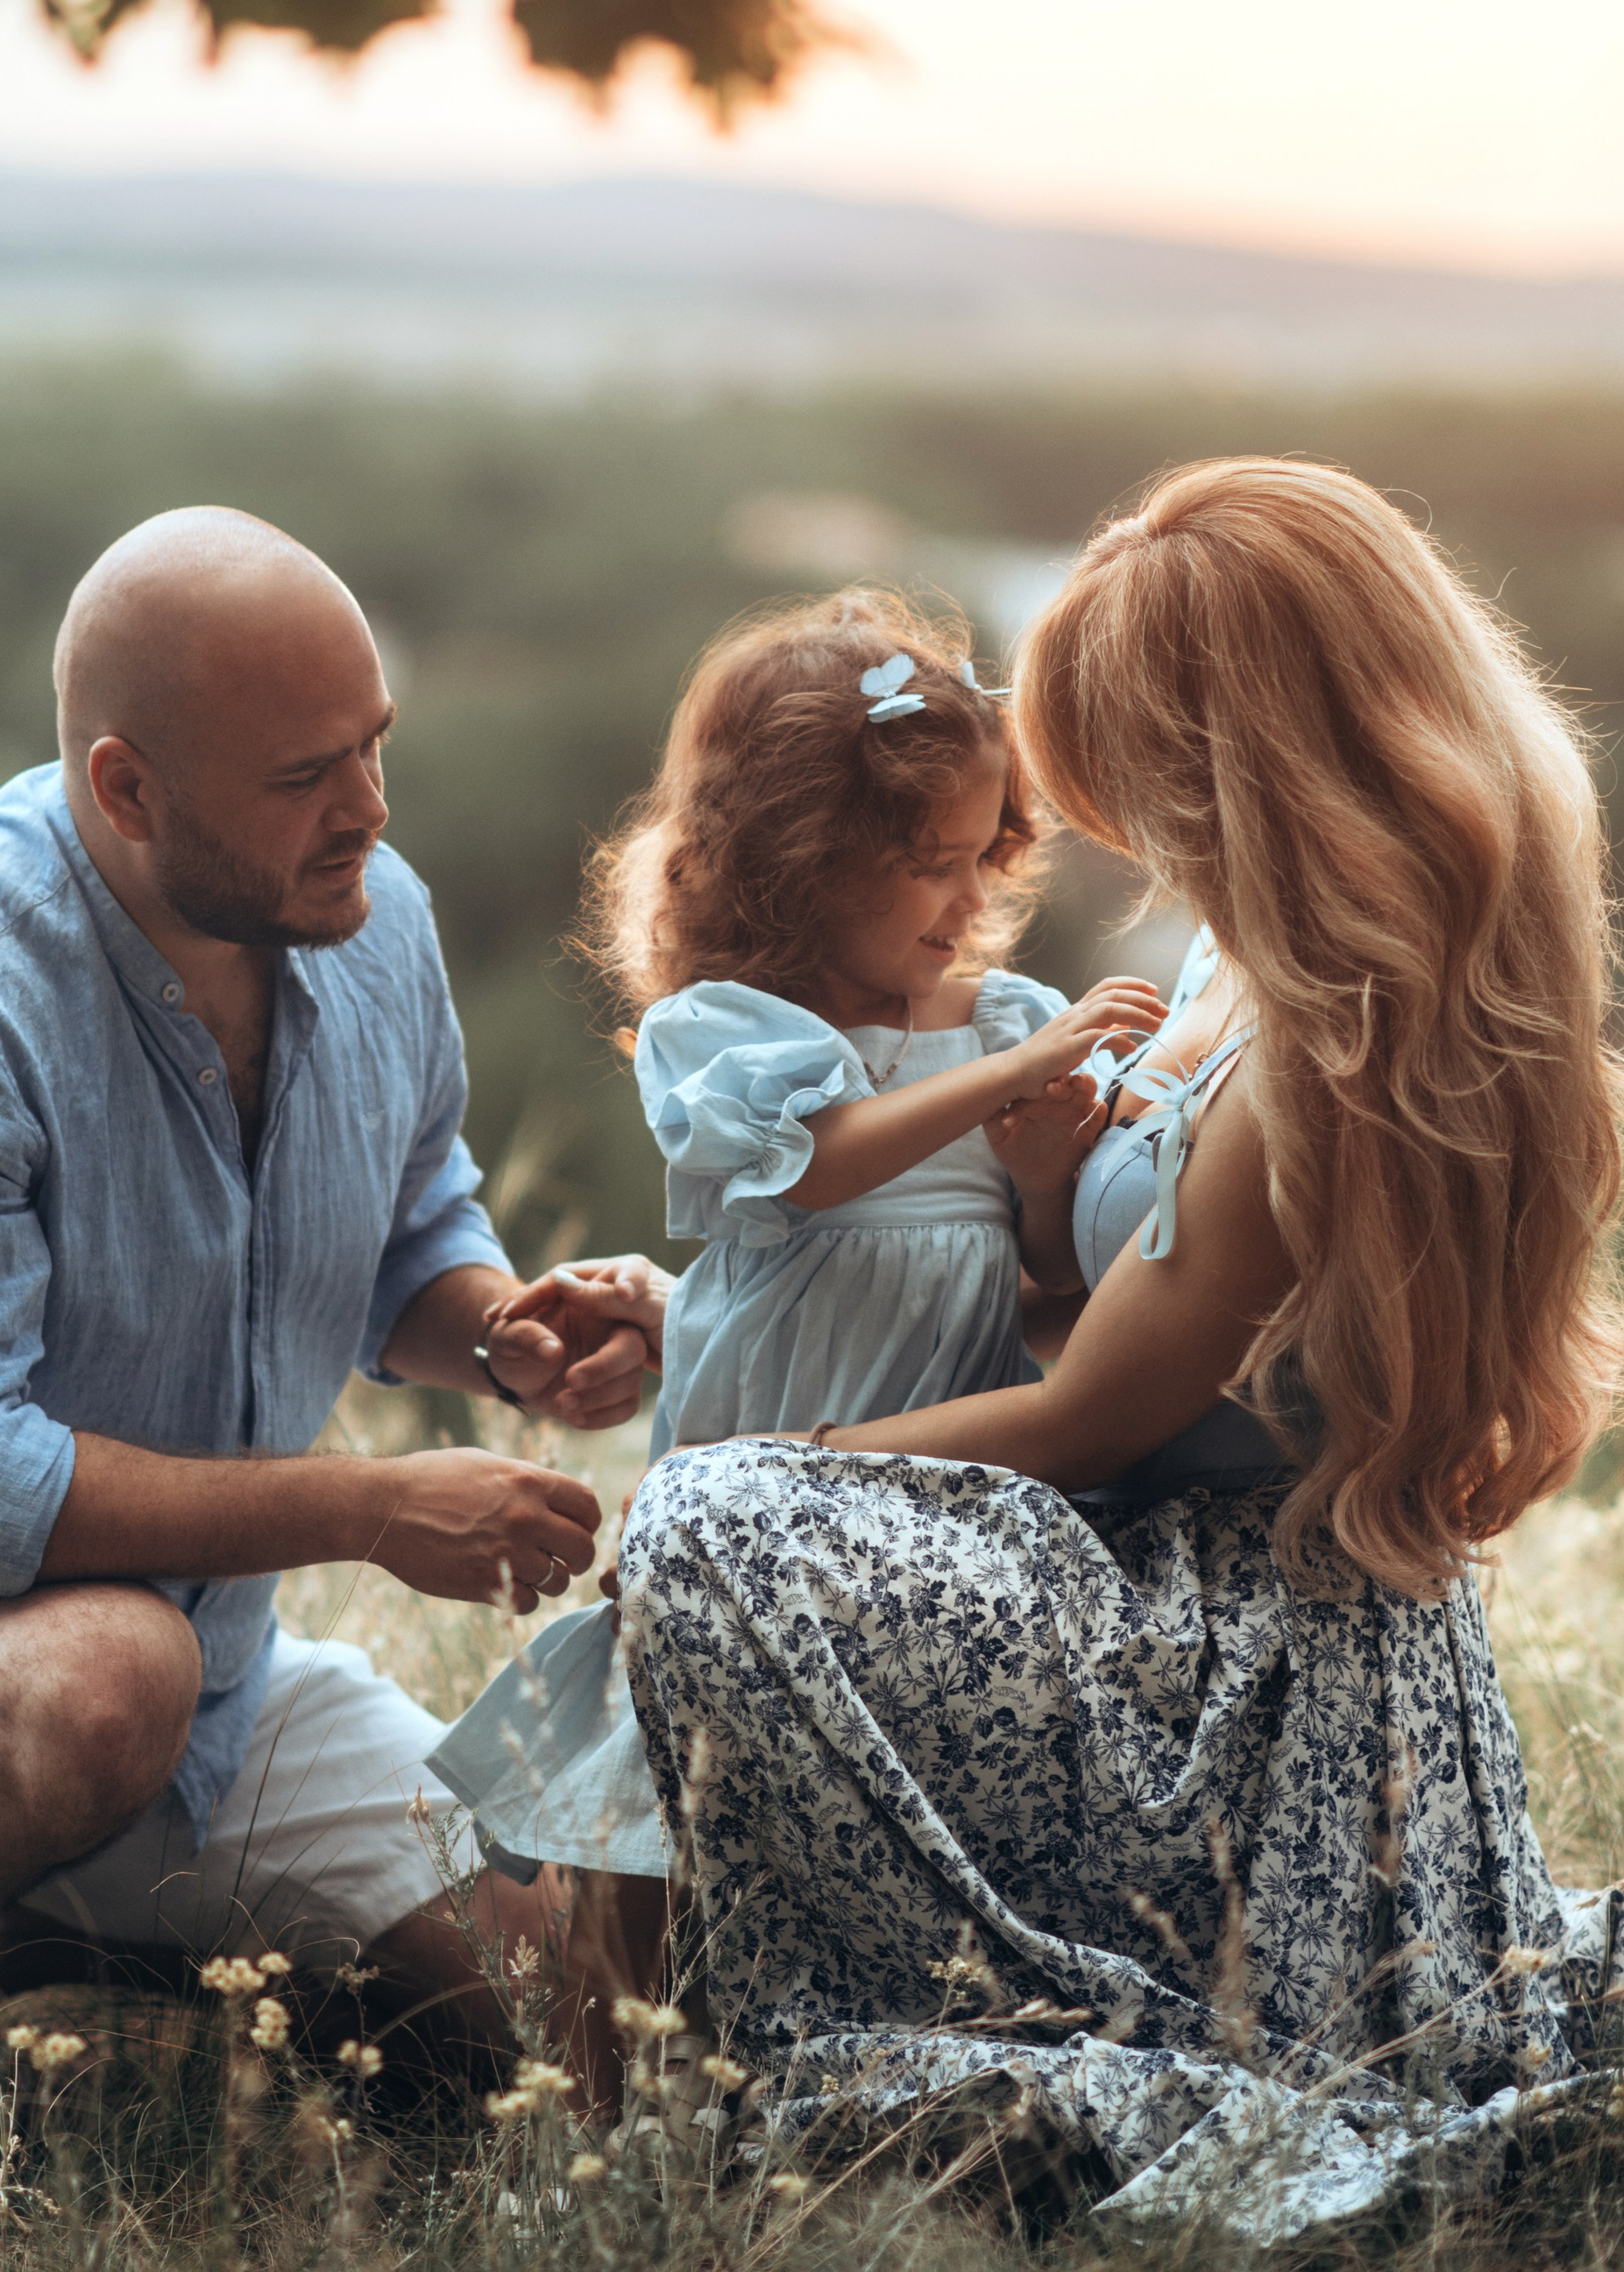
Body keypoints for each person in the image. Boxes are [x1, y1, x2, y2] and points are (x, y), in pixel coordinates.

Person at [613, 458, 1624, 2150]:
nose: (1135, 838)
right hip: (1152, 1560)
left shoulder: (1320, 1060)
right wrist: (697, 1320)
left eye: (1157, 788)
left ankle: (851, 2007)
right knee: (729, 1514)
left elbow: (1085, 1412)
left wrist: (766, 1464)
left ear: (1248, 764)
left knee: (710, 1524)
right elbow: (1044, 1287)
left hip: (1250, 1664)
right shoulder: (1234, 960)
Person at [0, 506, 667, 2214]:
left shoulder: (364, 914)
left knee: (560, 2003)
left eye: (375, 749)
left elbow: (412, 1214)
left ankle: (46, 1952)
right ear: (124, 789)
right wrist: (370, 1505)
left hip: (209, 1671)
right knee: (104, 1680)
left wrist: (503, 1331)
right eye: (300, 775)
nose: (368, 812)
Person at [429, 590, 1161, 1885]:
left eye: (982, 855)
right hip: (778, 1415)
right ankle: (628, 2063)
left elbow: (1043, 1277)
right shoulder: (730, 1030)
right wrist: (1019, 1078)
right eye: (923, 862)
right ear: (799, 859)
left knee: (883, 1777)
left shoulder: (1001, 1022)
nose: (962, 897)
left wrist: (1043, 1170)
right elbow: (819, 1174)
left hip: (942, 1434)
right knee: (698, 1783)